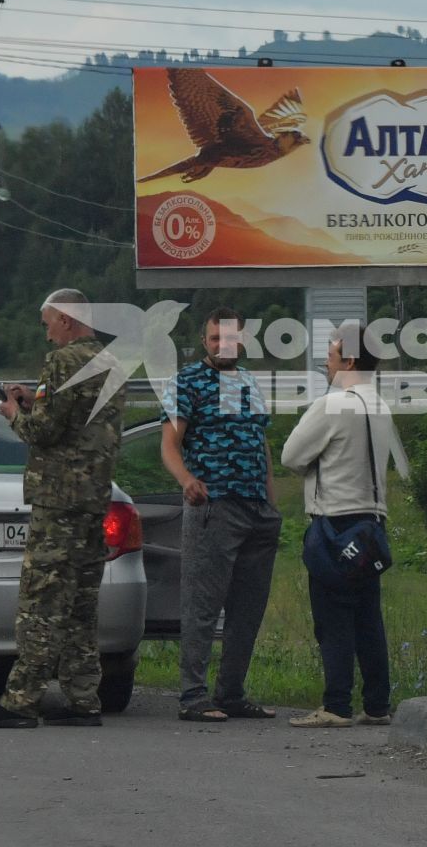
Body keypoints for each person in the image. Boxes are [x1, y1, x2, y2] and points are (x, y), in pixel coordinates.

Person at [0, 290, 120, 728]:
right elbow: (79, 419)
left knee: (40, 601)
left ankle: (20, 700)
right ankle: (83, 698)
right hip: (93, 496)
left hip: (58, 499)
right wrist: (34, 399)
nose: (47, 333)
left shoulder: (62, 362)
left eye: (48, 323)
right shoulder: (110, 360)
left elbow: (46, 432)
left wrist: (12, 411)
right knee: (80, 605)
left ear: (67, 321)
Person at [280, 322, 408, 727]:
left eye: (332, 354)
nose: (326, 361)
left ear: (350, 359)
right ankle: (376, 704)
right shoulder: (381, 407)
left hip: (334, 522)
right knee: (368, 617)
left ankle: (336, 704)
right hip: (372, 524)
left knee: (332, 617)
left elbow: (291, 456)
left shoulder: (332, 404)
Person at [161, 307, 281, 723]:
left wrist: (271, 500)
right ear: (204, 341)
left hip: (256, 508)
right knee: (202, 604)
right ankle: (193, 695)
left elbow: (259, 439)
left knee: (248, 607)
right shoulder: (188, 381)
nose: (222, 346)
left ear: (242, 339)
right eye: (215, 339)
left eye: (229, 339)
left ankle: (231, 693)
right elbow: (170, 444)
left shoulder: (248, 381)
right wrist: (186, 480)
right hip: (213, 504)